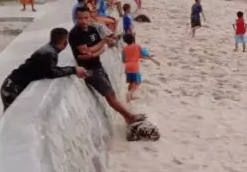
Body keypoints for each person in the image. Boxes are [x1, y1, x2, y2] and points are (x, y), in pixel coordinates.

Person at [70, 7, 159, 141]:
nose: (84, 21)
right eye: (80, 18)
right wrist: (101, 44)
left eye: (86, 18)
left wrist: (94, 52)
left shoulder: (93, 29)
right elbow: (85, 52)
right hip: (89, 70)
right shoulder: (75, 34)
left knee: (111, 93)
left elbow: (99, 50)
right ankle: (129, 117)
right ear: (76, 18)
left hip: (97, 65)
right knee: (109, 95)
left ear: (90, 17)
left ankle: (128, 116)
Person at [1, 28, 88, 111]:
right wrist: (73, 70)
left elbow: (49, 69)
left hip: (10, 84)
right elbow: (52, 73)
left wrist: (74, 69)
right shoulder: (50, 53)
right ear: (65, 43)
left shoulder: (48, 49)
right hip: (12, 88)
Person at [122, 34, 159, 101]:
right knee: (138, 82)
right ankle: (130, 93)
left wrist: (136, 57)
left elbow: (123, 60)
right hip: (134, 67)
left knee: (131, 82)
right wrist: (154, 60)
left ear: (125, 41)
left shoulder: (124, 49)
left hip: (127, 67)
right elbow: (145, 53)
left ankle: (130, 98)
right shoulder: (137, 46)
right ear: (133, 39)